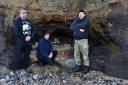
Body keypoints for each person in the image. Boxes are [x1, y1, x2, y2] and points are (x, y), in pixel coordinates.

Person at [70, 10, 90, 74]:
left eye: (82, 13)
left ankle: (86, 67)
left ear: (84, 14)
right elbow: (71, 27)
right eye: (79, 13)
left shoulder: (86, 21)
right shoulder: (76, 20)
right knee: (76, 53)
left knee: (85, 53)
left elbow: (84, 26)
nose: (80, 14)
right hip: (76, 40)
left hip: (83, 40)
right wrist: (79, 29)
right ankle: (78, 66)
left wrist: (76, 27)